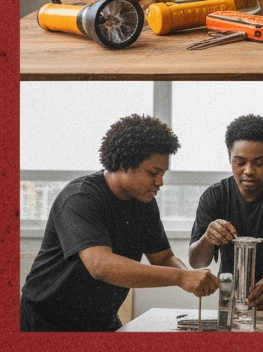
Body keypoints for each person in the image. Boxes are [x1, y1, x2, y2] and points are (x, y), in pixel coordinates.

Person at [20, 114, 220, 331]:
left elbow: (163, 256)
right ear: (124, 164)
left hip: (100, 320)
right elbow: (101, 266)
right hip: (46, 322)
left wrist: (190, 278)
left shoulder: (144, 202)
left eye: (162, 173)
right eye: (153, 172)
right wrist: (181, 277)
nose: (160, 182)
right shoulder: (80, 198)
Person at [188, 114, 263, 307]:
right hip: (234, 303)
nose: (249, 170)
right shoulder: (214, 196)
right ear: (229, 158)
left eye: (259, 163)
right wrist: (207, 238)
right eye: (240, 162)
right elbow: (197, 262)